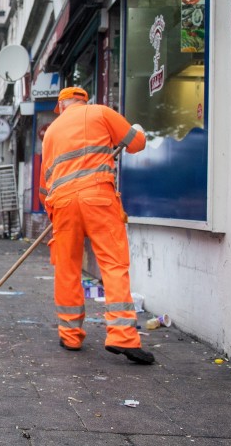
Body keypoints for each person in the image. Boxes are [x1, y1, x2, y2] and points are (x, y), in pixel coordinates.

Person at [39, 86, 154, 365]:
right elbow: (136, 143)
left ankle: (70, 335)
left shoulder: (51, 132)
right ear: (84, 100)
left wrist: (53, 210)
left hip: (63, 204)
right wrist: (137, 130)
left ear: (61, 106)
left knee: (67, 268)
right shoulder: (101, 113)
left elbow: (44, 186)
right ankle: (122, 337)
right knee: (113, 265)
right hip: (98, 198)